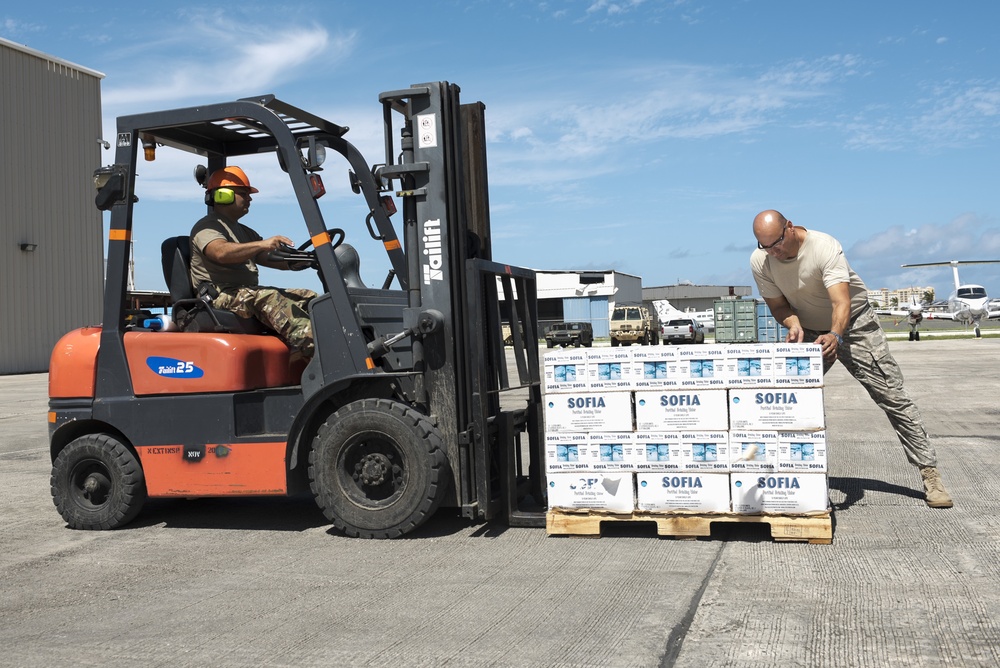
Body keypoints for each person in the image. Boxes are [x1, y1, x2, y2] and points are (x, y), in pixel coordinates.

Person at [750, 209, 953, 508]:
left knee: (893, 397)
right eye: (764, 246)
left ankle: (930, 474)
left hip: (855, 324)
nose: (773, 252)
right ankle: (778, 477)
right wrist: (792, 324)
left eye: (776, 243)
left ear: (790, 228)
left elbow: (841, 302)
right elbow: (778, 306)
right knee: (782, 400)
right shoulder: (761, 261)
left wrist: (836, 335)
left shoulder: (824, 247)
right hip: (809, 330)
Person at [189, 166, 316, 362]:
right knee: (270, 298)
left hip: (243, 292)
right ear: (224, 195)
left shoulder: (243, 231)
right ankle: (317, 352)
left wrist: (301, 261)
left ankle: (309, 350)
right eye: (244, 193)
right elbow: (220, 252)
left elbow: (267, 257)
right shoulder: (207, 227)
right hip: (220, 295)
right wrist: (261, 244)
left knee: (311, 298)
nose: (250, 199)